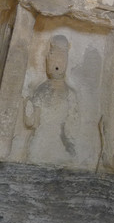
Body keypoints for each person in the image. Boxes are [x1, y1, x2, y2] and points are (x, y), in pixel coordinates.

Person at [23, 35, 80, 163]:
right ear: (48, 60)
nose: (57, 64)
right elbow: (31, 122)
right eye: (54, 58)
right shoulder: (41, 90)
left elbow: (73, 126)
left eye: (62, 59)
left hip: (61, 145)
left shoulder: (70, 94)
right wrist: (27, 103)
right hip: (40, 145)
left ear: (66, 61)